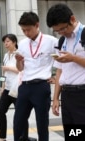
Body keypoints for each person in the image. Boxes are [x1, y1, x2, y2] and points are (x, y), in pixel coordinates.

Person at [13, 12, 57, 141]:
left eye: (28, 29)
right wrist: (18, 61)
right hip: (25, 86)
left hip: (41, 86)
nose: (26, 33)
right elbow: (20, 68)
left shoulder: (51, 41)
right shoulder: (22, 44)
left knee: (42, 123)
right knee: (18, 121)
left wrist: (54, 76)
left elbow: (61, 61)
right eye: (23, 30)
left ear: (37, 25)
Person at [46, 3, 85, 139]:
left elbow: (72, 60)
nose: (61, 32)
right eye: (57, 31)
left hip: (82, 94)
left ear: (72, 19)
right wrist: (56, 98)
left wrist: (74, 58)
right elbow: (59, 71)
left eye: (63, 28)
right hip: (67, 96)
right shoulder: (62, 40)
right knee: (71, 135)